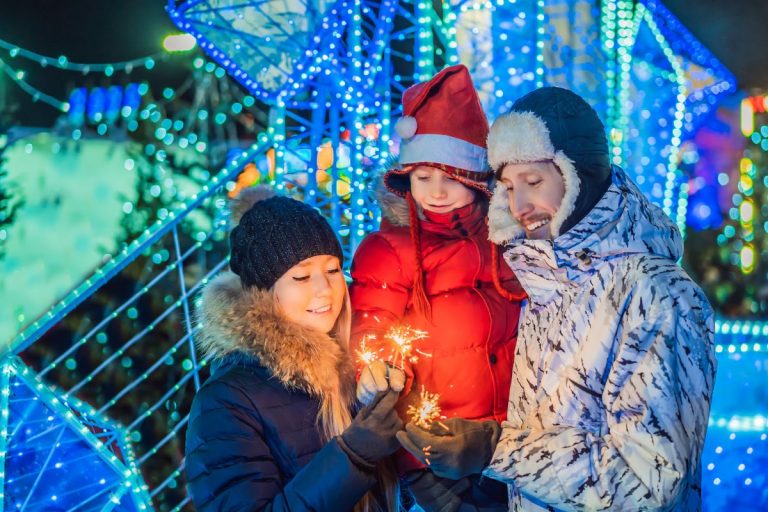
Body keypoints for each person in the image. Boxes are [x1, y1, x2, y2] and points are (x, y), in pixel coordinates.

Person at [396, 86, 717, 511]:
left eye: (534, 182)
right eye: (508, 186)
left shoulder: (657, 295)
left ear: (579, 175)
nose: (520, 204)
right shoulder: (544, 284)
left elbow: (647, 482)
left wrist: (497, 450)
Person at [350, 64, 526, 510]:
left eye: (451, 178)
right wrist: (373, 371)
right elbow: (373, 325)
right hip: (433, 454)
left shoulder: (505, 238)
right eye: (424, 178)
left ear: (474, 178)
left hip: (507, 446)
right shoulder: (389, 249)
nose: (437, 192)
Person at [185, 186, 404, 511]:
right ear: (263, 293)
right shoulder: (225, 402)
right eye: (301, 277)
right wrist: (353, 456)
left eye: (332, 270)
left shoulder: (358, 367)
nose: (324, 290)